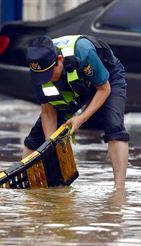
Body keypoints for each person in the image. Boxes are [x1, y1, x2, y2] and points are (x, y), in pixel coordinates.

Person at [24, 35, 129, 189]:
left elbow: (103, 88)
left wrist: (81, 118)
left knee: (114, 127)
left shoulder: (83, 52)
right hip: (75, 84)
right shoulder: (39, 71)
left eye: (49, 75)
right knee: (37, 137)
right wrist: (50, 145)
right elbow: (48, 111)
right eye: (41, 77)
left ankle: (119, 191)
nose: (47, 80)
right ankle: (26, 187)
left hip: (107, 79)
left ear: (59, 60)